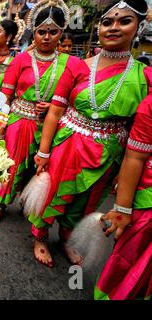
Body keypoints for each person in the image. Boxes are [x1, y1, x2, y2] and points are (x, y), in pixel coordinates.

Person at [31, 0, 151, 268]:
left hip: (109, 154)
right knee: (53, 193)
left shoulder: (145, 77)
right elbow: (54, 112)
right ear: (98, 28)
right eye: (107, 22)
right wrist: (43, 151)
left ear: (139, 27)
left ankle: (65, 238)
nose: (114, 28)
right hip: (68, 145)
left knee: (86, 202)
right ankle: (39, 236)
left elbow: (138, 129)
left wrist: (124, 171)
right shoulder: (77, 66)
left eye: (124, 21)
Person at [0, 0, 76, 228]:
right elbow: (5, 97)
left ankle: (31, 206)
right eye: (41, 32)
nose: (46, 37)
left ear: (61, 32)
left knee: (40, 169)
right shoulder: (21, 60)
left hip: (52, 124)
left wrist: (57, 107)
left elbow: (79, 99)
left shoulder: (72, 64)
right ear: (33, 33)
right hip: (20, 121)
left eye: (53, 32)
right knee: (13, 165)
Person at [95, 95, 152, 300]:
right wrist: (123, 209)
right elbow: (135, 156)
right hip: (147, 205)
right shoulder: (150, 105)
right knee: (130, 265)